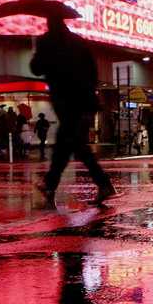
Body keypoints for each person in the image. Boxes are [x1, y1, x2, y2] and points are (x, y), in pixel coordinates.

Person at [31, 16, 116, 206]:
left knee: (73, 145)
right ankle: (51, 184)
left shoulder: (46, 41)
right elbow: (93, 72)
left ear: (49, 23)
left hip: (66, 101)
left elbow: (36, 68)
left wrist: (37, 50)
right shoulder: (79, 42)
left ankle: (102, 184)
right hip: (84, 101)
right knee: (69, 144)